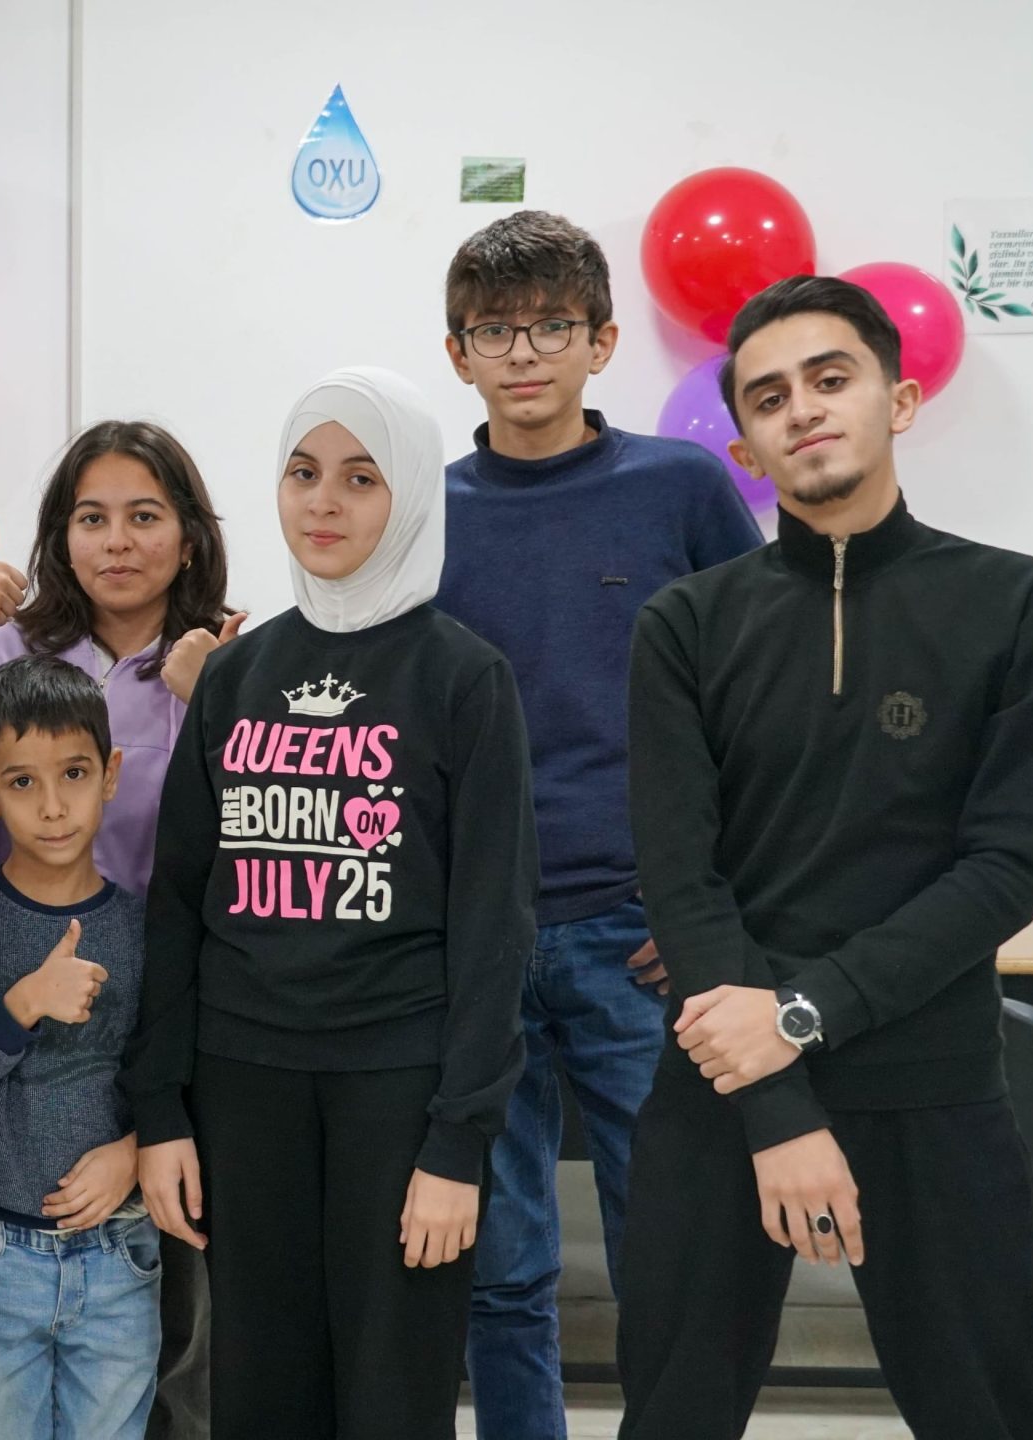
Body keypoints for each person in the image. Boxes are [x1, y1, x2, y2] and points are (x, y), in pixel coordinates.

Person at [615, 275, 1033, 1440]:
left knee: (987, 1414)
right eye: (770, 397)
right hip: (723, 1092)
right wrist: (776, 1105)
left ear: (900, 399)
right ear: (744, 446)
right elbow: (680, 879)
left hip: (931, 1084)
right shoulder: (684, 625)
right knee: (671, 1415)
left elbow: (1002, 872)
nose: (804, 409)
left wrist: (799, 1016)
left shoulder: (1020, 606)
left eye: (830, 379)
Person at [127, 366, 536, 1438]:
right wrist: (161, 1113)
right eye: (303, 472)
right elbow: (178, 902)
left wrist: (458, 1142)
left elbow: (494, 925)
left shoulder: (463, 679)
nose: (323, 501)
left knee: (392, 1393)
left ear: (410, 492)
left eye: (361, 478)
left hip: (398, 1088)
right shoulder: (234, 675)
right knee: (259, 1391)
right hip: (242, 1083)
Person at [431, 211, 763, 1437]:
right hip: (479, 934)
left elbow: (755, 699)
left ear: (602, 341)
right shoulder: (423, 509)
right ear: (457, 352)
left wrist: (710, 907)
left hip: (640, 935)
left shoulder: (679, 488)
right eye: (494, 332)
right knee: (502, 1263)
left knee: (665, 1249)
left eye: (551, 327)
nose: (523, 353)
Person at [0, 417, 236, 1438]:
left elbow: (256, 862)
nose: (117, 541)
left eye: (144, 516)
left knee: (163, 1349)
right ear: (59, 535)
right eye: (90, 517)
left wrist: (217, 706)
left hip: (159, 1029)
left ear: (189, 536)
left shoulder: (224, 664)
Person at [0, 654, 156, 1440]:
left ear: (111, 774)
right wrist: (23, 1003)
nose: (53, 806)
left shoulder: (147, 928)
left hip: (122, 1246)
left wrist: (134, 1150)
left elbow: (175, 1074)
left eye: (75, 775)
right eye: (22, 782)